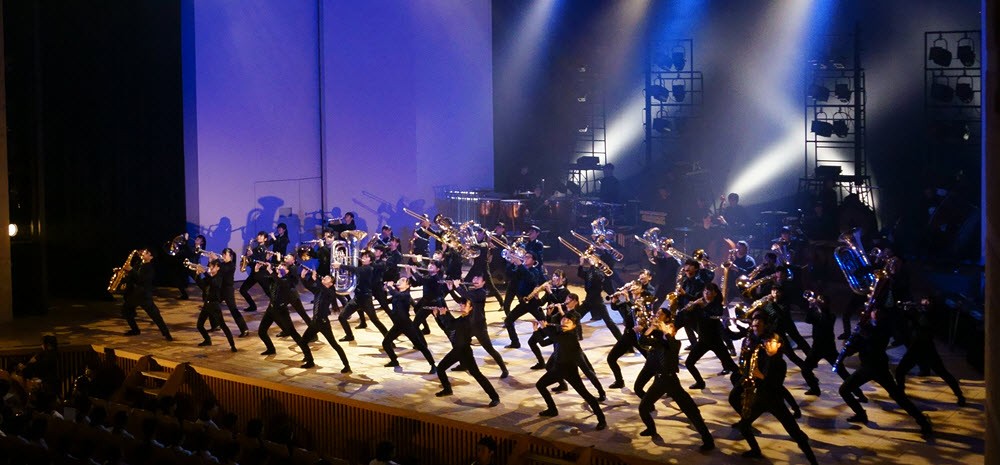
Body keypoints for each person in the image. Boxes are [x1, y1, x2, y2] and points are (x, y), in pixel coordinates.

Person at [729, 313, 818, 464]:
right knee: (744, 425)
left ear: (778, 346)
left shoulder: (779, 363)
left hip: (774, 400)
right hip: (759, 398)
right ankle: (755, 450)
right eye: (754, 320)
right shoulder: (753, 341)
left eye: (773, 344)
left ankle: (813, 460)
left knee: (795, 433)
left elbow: (776, 384)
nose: (769, 345)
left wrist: (760, 375)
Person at [636, 311, 714, 451]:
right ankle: (651, 429)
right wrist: (652, 328)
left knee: (691, 411)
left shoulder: (675, 343)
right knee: (643, 407)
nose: (669, 327)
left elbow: (670, 343)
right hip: (659, 380)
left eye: (671, 327)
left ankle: (708, 440)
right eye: (668, 326)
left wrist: (665, 330)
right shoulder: (659, 342)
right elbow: (642, 341)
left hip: (671, 381)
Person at [533, 313, 607, 430]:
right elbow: (543, 343)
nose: (564, 321)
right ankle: (552, 409)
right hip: (557, 369)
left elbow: (556, 338)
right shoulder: (560, 332)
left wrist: (545, 327)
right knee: (540, 385)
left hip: (569, 370)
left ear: (574, 325)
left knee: (585, 395)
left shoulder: (571, 336)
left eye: (568, 321)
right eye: (564, 319)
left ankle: (601, 419)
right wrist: (536, 330)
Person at [432, 302, 501, 407]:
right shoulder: (461, 318)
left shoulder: (470, 320)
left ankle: (495, 397)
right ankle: (447, 389)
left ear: (471, 308)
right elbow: (448, 328)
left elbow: (451, 324)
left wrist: (443, 315)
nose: (462, 307)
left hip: (465, 352)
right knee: (440, 368)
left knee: (477, 374)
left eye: (465, 306)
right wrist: (437, 316)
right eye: (461, 305)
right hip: (456, 351)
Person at [255, 262, 315, 369]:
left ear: (287, 271)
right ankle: (271, 349)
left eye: (282, 267)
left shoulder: (287, 281)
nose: (278, 268)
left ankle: (309, 358)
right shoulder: (275, 277)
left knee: (293, 333)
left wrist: (272, 272)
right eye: (278, 266)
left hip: (281, 311)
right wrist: (256, 270)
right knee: (261, 331)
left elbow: (281, 283)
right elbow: (262, 280)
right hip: (271, 309)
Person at [448, 275, 509, 379]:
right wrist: (451, 290)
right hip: (468, 325)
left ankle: (504, 369)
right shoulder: (471, 291)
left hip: (479, 326)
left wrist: (458, 287)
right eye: (474, 278)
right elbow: (460, 300)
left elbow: (469, 296)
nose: (475, 280)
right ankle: (463, 364)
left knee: (489, 348)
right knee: (460, 345)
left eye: (478, 279)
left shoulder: (481, 293)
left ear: (483, 282)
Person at [681, 283, 739, 389]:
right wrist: (689, 308)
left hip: (715, 341)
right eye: (705, 291)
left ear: (715, 294)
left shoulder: (718, 306)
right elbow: (687, 317)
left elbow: (711, 316)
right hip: (703, 341)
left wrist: (702, 306)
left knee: (732, 366)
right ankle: (700, 382)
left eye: (709, 291)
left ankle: (742, 385)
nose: (706, 293)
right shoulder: (698, 305)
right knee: (689, 363)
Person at [300, 270, 352, 374]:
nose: (324, 277)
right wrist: (303, 277)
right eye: (325, 277)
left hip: (323, 323)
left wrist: (317, 280)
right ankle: (310, 361)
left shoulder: (330, 292)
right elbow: (309, 286)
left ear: (331, 283)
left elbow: (322, 288)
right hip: (315, 322)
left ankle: (347, 366)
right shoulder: (320, 290)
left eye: (327, 278)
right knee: (303, 342)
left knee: (334, 344)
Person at [382, 278, 436, 374]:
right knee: (386, 343)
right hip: (398, 325)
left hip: (406, 324)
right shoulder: (398, 294)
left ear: (408, 285)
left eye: (402, 281)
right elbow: (387, 301)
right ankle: (394, 361)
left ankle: (433, 365)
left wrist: (390, 287)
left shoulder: (406, 295)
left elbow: (397, 295)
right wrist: (384, 290)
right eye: (399, 280)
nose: (399, 281)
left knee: (420, 345)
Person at [334, 251, 390, 342]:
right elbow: (354, 267)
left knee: (375, 320)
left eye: (366, 257)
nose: (363, 258)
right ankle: (349, 336)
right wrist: (344, 258)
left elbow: (356, 270)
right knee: (342, 317)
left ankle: (388, 338)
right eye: (363, 256)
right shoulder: (363, 266)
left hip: (366, 298)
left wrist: (341, 265)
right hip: (357, 298)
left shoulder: (369, 268)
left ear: (371, 260)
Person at [121, 249, 173, 341]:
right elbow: (133, 276)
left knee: (155, 315)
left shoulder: (150, 268)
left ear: (151, 257)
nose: (143, 253)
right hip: (135, 294)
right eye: (144, 252)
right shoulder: (138, 264)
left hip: (144, 295)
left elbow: (141, 280)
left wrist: (131, 270)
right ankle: (135, 330)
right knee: (126, 310)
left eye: (146, 253)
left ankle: (166, 334)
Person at [502, 252, 546, 349]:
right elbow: (509, 275)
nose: (525, 258)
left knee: (544, 322)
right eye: (524, 257)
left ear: (534, 261)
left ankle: (555, 341)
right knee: (508, 321)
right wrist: (511, 263)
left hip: (533, 303)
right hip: (523, 302)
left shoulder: (536, 271)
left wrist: (520, 265)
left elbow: (530, 278)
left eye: (528, 257)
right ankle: (515, 342)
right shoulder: (520, 270)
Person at [193, 260, 238, 352]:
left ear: (218, 268)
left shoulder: (219, 277)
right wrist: (197, 275)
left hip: (214, 305)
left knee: (223, 326)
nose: (210, 268)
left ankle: (232, 345)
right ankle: (207, 340)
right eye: (209, 266)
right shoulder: (209, 277)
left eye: (212, 267)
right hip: (207, 304)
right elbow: (201, 285)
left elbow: (214, 283)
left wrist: (205, 272)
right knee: (199, 325)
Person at [207, 248, 250, 337]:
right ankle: (215, 325)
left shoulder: (231, 265)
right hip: (220, 289)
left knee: (233, 310)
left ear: (231, 256)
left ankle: (244, 329)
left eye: (225, 255)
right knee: (211, 304)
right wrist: (210, 261)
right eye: (222, 254)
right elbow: (212, 270)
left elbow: (223, 269)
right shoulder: (222, 264)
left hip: (228, 290)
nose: (223, 256)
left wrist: (216, 260)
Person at [238, 231, 272, 313]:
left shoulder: (263, 248)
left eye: (261, 236)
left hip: (261, 274)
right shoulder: (257, 247)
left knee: (269, 292)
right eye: (258, 235)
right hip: (254, 273)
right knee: (243, 290)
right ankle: (252, 306)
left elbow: (260, 260)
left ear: (265, 239)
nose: (259, 237)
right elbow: (251, 259)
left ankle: (279, 305)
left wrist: (252, 254)